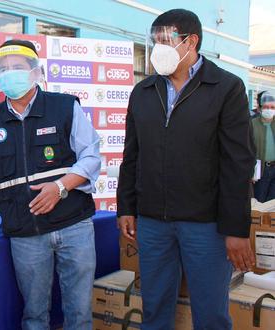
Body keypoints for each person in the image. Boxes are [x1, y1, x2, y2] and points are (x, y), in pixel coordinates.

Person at [116, 9, 256, 329]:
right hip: (153, 222)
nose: (157, 48)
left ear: (190, 42)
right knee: (154, 309)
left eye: (165, 40)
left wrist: (235, 228)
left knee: (210, 314)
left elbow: (238, 164)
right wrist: (126, 206)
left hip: (205, 225)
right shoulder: (144, 91)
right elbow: (132, 154)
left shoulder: (226, 88)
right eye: (154, 41)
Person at [0, 39, 100, 330]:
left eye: (16, 67)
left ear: (34, 72)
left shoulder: (64, 106)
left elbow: (91, 158)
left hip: (73, 225)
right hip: (26, 234)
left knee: (79, 314)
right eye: (3, 69)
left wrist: (61, 187)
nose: (9, 73)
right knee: (34, 316)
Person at [252, 90, 275, 202]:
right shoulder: (252, 124)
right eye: (266, 107)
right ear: (260, 108)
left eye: (272, 107)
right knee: (259, 203)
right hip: (260, 171)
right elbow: (247, 149)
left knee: (273, 205)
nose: (269, 110)